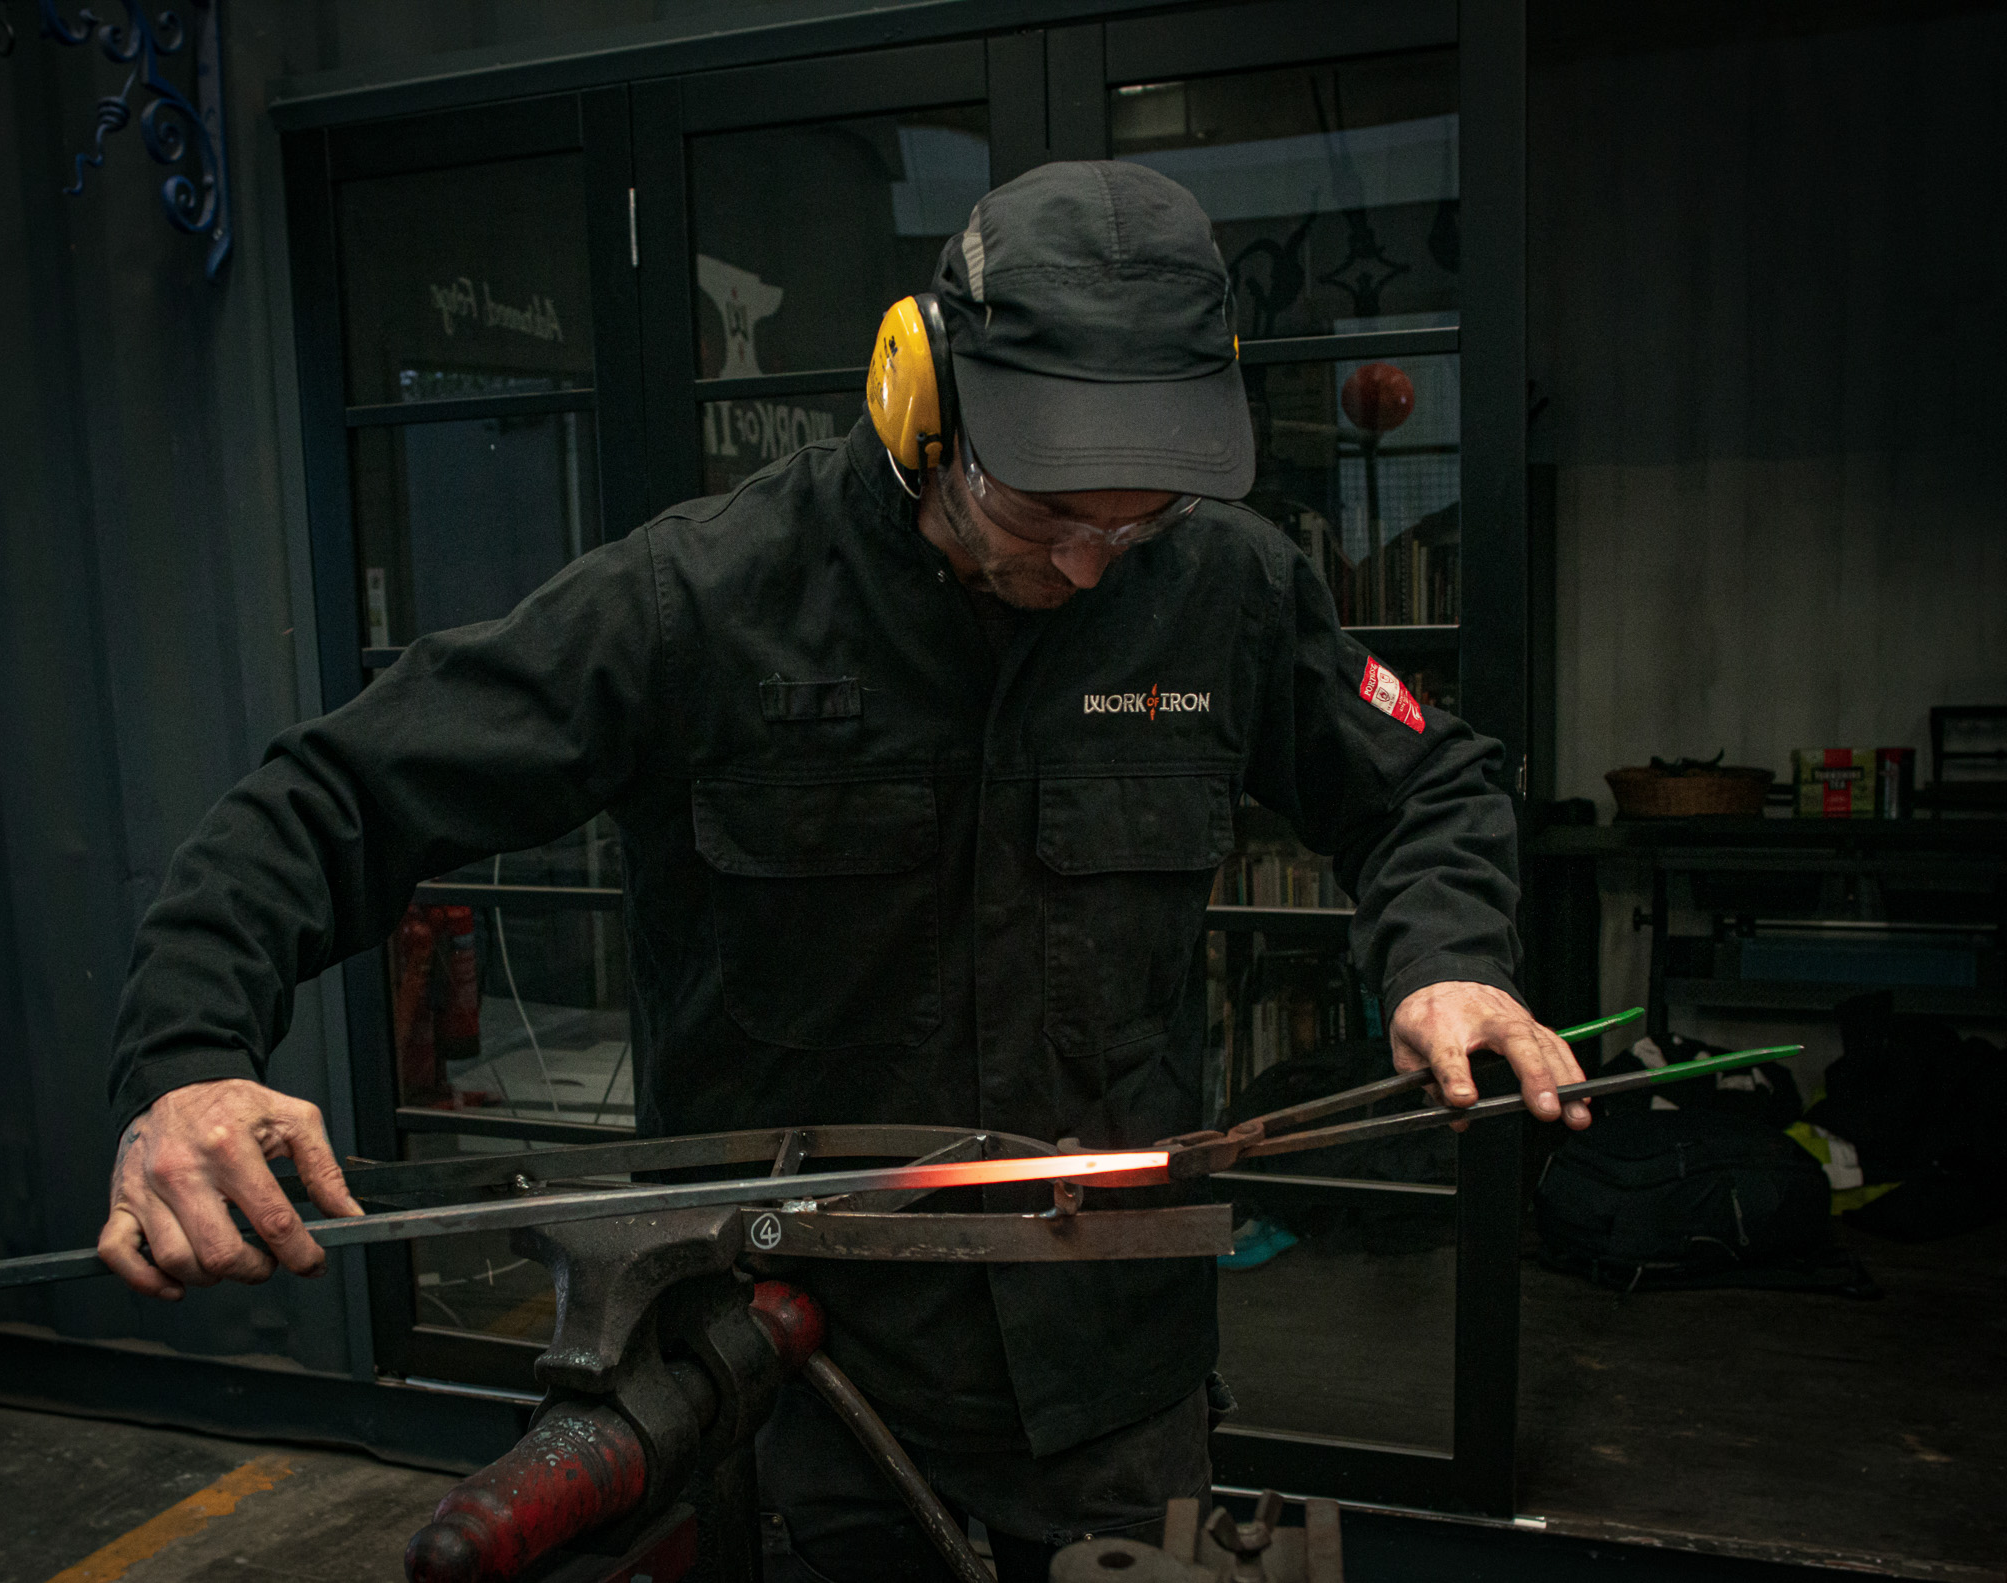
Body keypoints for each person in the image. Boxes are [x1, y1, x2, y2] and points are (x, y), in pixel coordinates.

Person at [99, 161, 1588, 1582]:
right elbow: (331, 798)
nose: (1086, 569)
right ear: (920, 398)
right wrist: (188, 1059)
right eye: (1046, 515)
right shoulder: (703, 600)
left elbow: (1430, 782)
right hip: (791, 1378)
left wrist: (1448, 955)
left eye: (1134, 526)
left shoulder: (1225, 589)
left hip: (1121, 1385)